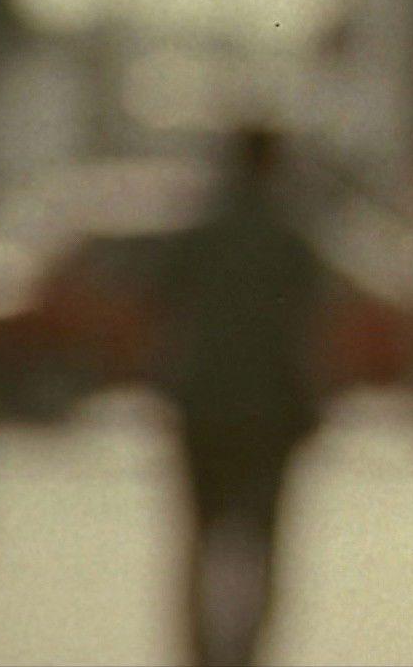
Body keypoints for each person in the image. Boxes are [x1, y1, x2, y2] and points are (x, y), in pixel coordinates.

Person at [155, 123, 331, 667]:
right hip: (271, 410)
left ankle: (201, 649)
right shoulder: (290, 238)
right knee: (262, 535)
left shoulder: (202, 232)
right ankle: (249, 649)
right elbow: (312, 331)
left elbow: (161, 307)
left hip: (205, 404)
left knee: (202, 531)